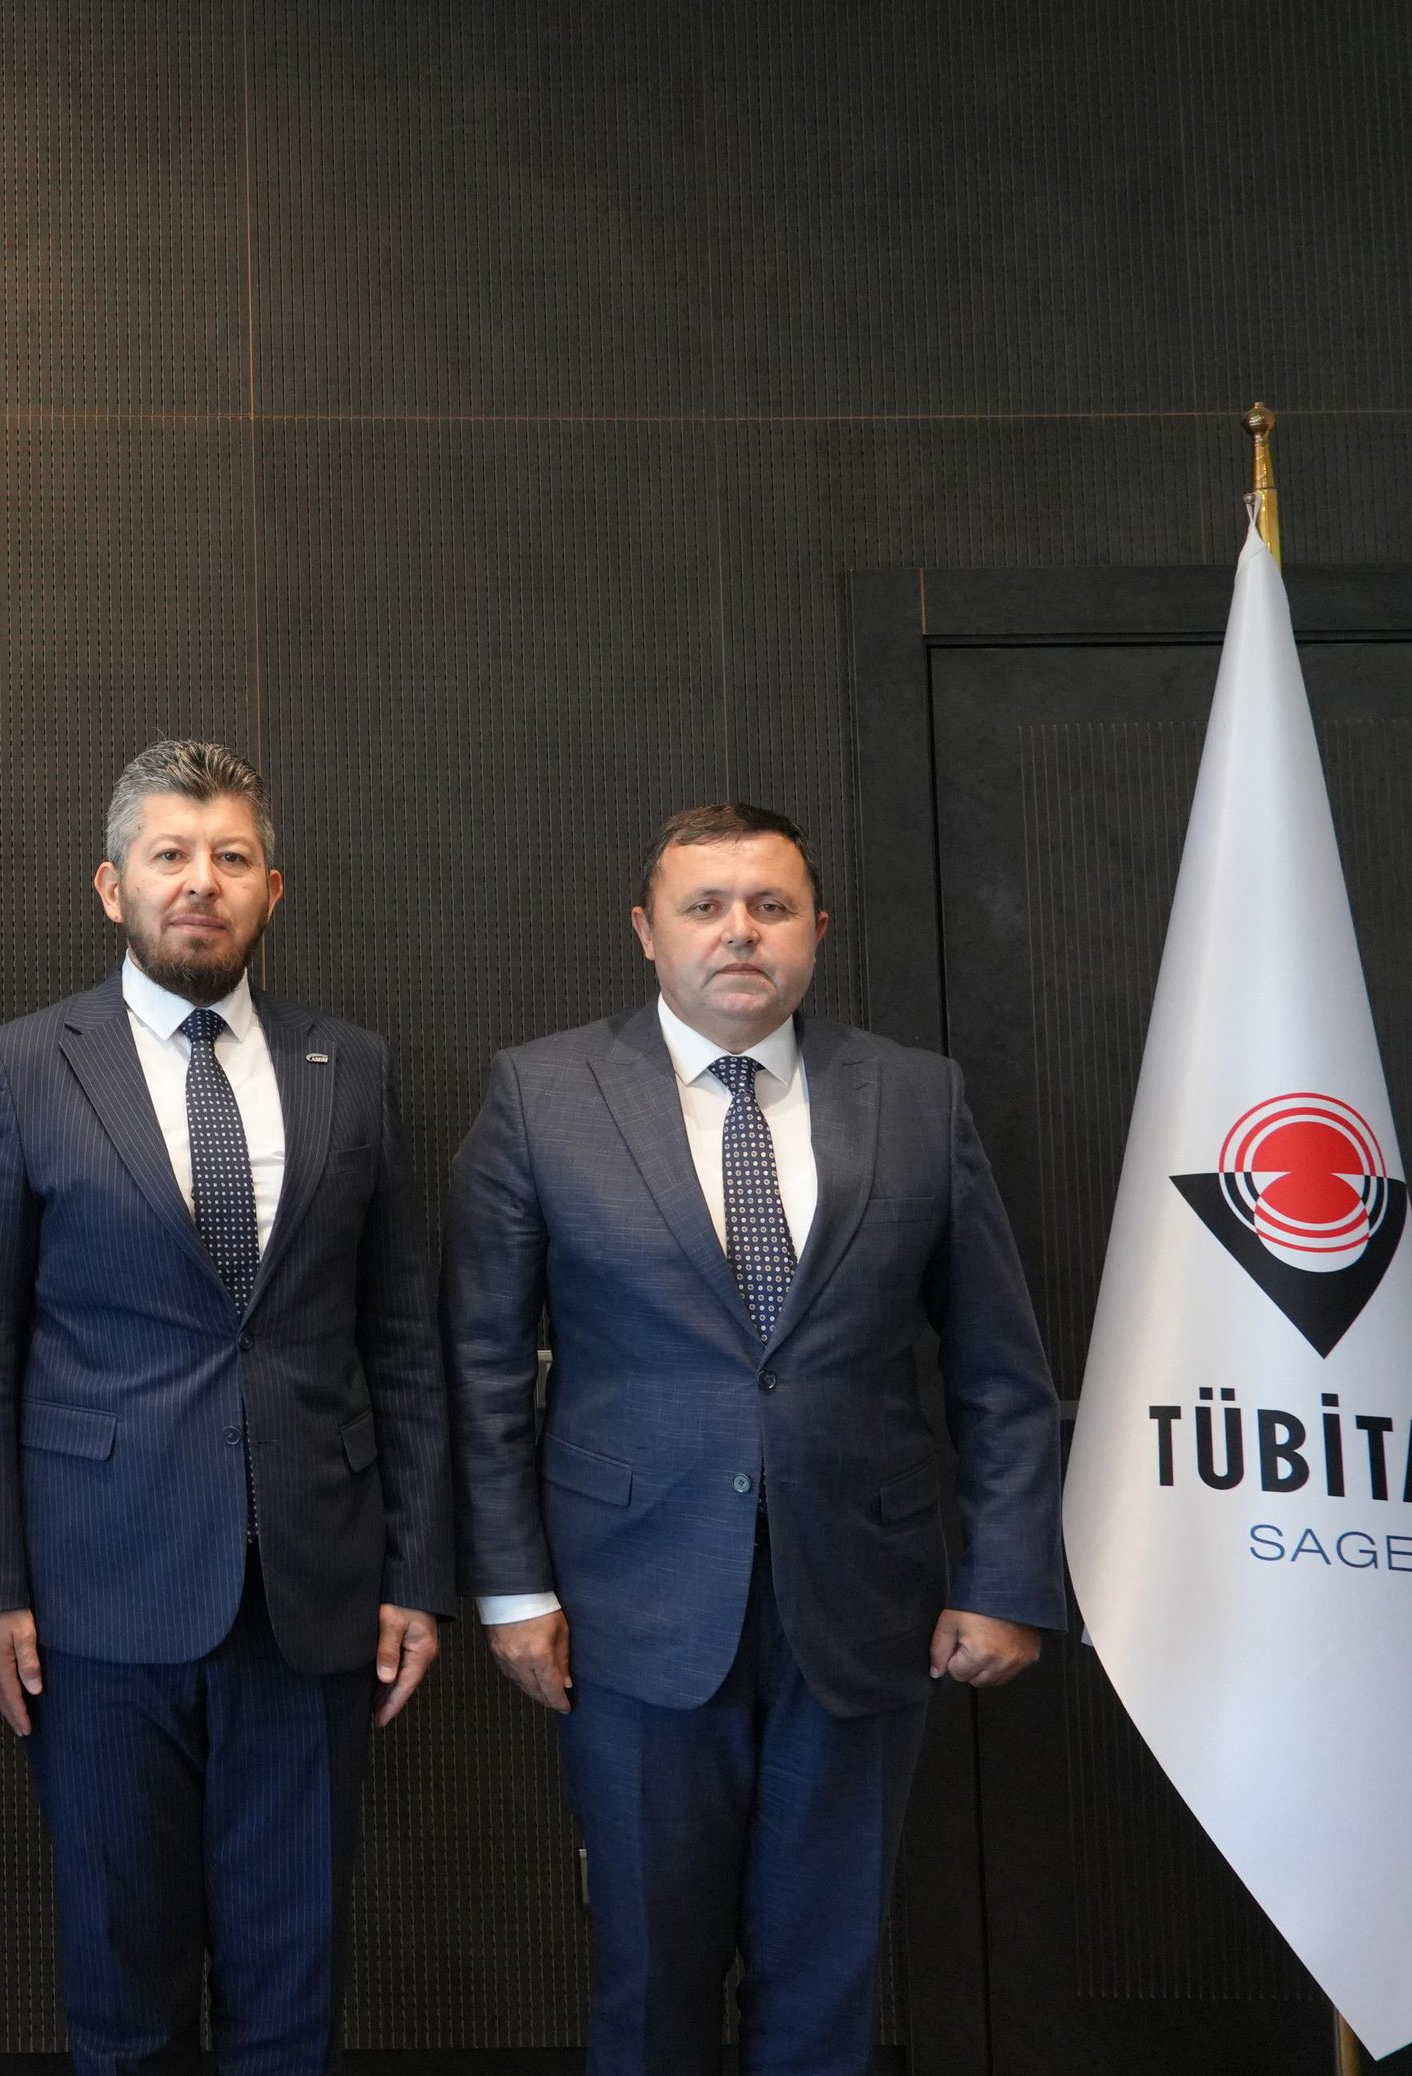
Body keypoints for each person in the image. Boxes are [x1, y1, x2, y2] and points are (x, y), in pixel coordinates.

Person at [445, 802, 1065, 2076]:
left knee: (827, 1981)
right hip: (627, 1610)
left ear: (816, 931)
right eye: (705, 907)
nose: (739, 932)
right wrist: (511, 1587)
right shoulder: (541, 1094)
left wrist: (1007, 1579)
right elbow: (483, 1366)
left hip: (866, 1605)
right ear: (646, 930)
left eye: (770, 908)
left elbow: (1001, 1372)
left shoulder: (916, 1096)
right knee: (648, 1979)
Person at [0, 739, 449, 2076]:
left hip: (314, 1598)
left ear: (272, 889)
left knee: (295, 1986)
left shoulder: (353, 1067)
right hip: (94, 1600)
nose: (199, 883)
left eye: (230, 857)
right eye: (169, 855)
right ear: (113, 887)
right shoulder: (21, 1068)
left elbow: (403, 1340)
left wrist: (416, 1573)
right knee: (125, 1988)